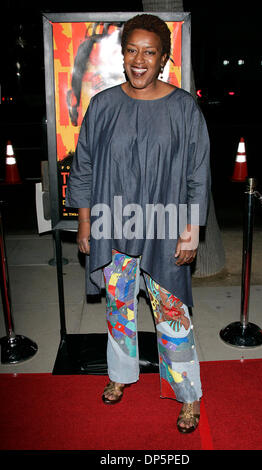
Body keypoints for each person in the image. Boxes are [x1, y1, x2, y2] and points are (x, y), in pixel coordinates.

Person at [66, 13, 210, 434]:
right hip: (112, 225)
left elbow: (198, 173)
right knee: (119, 310)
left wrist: (192, 229)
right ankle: (120, 374)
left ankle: (188, 395)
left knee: (172, 315)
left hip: (165, 227)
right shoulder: (104, 105)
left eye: (150, 52)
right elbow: (85, 166)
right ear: (123, 54)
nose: (140, 60)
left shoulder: (184, 108)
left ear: (163, 58)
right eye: (132, 51)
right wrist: (86, 223)